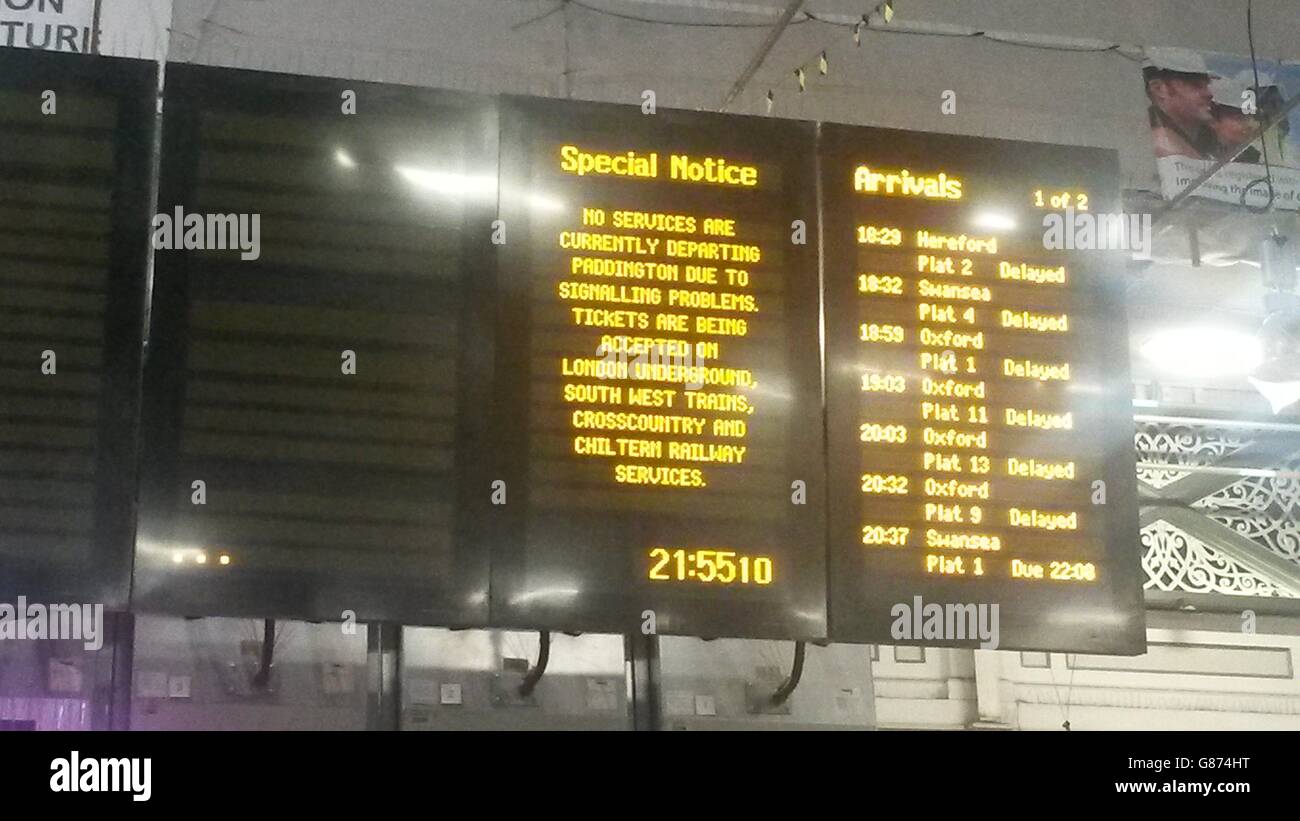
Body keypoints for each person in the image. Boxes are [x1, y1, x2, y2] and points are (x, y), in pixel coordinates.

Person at [1143, 48, 1221, 160]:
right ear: (1159, 89)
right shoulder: (1148, 139)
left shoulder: (1213, 138)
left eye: (1207, 85)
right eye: (1195, 85)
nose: (1209, 94)